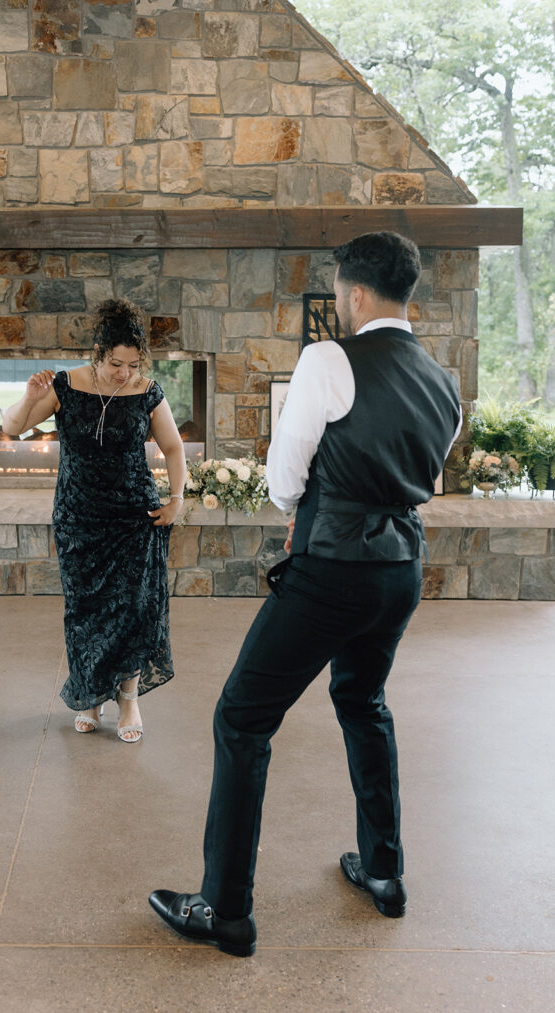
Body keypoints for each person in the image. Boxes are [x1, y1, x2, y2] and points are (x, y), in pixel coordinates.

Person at [148, 231, 462, 955]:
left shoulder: (329, 357)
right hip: (400, 569)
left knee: (242, 718)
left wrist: (306, 509)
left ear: (352, 293)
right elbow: (422, 471)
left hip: (331, 569)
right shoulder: (440, 378)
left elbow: (287, 477)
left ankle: (225, 910)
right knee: (363, 701)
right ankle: (383, 872)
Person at [3, 299, 186, 743]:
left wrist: (177, 498)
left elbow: (175, 448)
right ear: (98, 353)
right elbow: (11, 427)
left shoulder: (147, 390)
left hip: (133, 518)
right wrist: (29, 397)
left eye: (132, 364)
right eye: (116, 363)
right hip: (79, 518)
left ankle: (128, 698)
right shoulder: (65, 386)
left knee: (130, 610)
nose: (124, 373)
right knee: (84, 611)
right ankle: (90, 693)